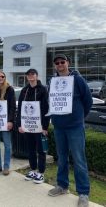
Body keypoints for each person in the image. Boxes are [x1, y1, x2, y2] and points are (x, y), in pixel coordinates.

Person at [48, 54, 92, 207]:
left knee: (79, 160)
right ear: (55, 66)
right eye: (57, 63)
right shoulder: (52, 81)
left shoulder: (78, 80)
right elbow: (51, 101)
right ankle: (62, 185)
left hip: (75, 127)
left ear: (68, 63)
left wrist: (79, 117)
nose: (60, 64)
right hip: (59, 126)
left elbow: (88, 101)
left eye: (62, 62)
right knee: (62, 158)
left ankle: (83, 193)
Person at [16, 68, 50, 184]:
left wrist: (45, 127)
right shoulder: (24, 90)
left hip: (39, 126)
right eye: (28, 75)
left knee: (41, 150)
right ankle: (33, 170)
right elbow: (20, 108)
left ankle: (41, 172)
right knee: (30, 149)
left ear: (36, 76)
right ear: (26, 77)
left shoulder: (42, 89)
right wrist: (19, 124)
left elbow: (46, 108)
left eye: (33, 74)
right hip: (28, 125)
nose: (31, 76)